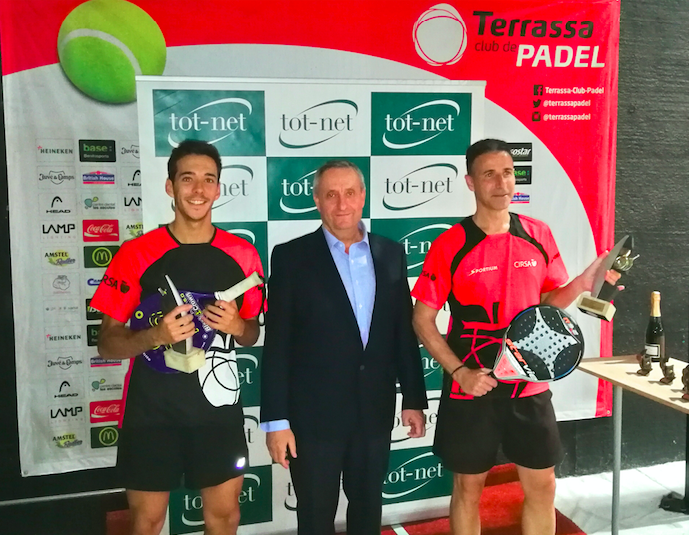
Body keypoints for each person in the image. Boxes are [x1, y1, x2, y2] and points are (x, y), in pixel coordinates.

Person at [411, 139, 619, 535]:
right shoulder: (450, 244)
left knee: (543, 486)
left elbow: (549, 304)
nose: (501, 183)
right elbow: (422, 319)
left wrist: (582, 282)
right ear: (471, 182)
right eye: (489, 174)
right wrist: (459, 372)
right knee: (468, 489)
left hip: (529, 381)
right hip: (474, 384)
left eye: (507, 173)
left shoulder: (537, 233)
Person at [91, 140, 264, 535]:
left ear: (218, 189)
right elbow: (107, 341)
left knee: (224, 518)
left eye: (208, 180)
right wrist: (154, 335)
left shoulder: (243, 254)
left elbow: (252, 332)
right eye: (187, 179)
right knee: (147, 522)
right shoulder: (135, 254)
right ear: (170, 187)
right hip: (152, 414)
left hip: (217, 412)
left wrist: (238, 327)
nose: (198, 190)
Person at [260, 160, 428, 535]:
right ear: (317, 200)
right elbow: (278, 344)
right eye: (331, 194)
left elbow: (403, 332)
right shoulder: (290, 257)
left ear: (363, 196)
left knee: (368, 512)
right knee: (315, 516)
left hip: (374, 413)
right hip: (312, 418)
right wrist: (276, 421)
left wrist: (414, 398)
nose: (342, 204)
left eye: (350, 193)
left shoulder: (391, 253)